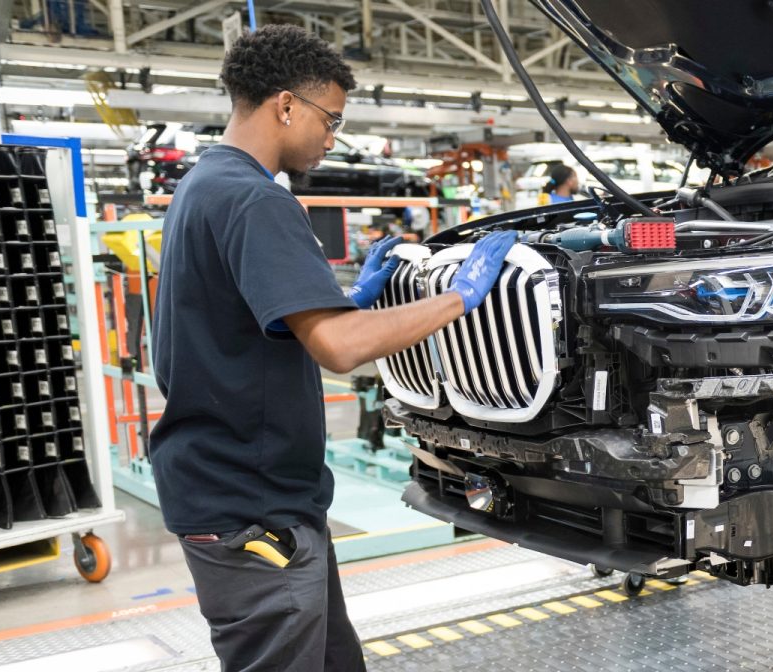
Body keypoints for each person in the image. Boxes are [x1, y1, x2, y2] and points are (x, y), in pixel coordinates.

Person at [149, 25, 518, 671]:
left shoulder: (204, 183)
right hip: (250, 506)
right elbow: (339, 349)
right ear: (286, 105)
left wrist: (356, 296)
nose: (332, 137)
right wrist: (458, 298)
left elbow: (266, 319)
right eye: (331, 119)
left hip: (252, 492)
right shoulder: (255, 199)